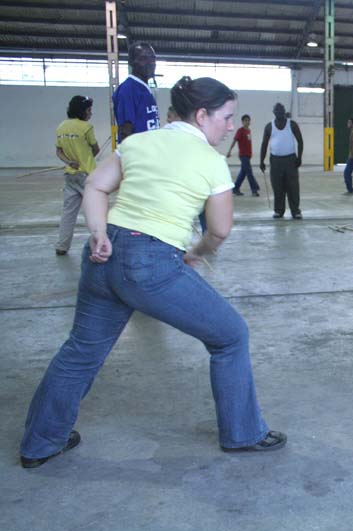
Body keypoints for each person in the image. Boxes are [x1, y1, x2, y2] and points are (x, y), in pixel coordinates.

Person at [19, 76, 286, 469]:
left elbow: (95, 186)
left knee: (80, 351)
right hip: (151, 263)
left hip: (104, 255)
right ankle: (243, 432)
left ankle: (40, 443)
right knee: (231, 337)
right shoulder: (211, 162)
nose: (230, 126)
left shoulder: (138, 142)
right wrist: (196, 252)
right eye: (226, 117)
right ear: (202, 115)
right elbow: (220, 229)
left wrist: (97, 234)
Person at [54, 95, 100, 256]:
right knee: (95, 211)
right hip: (86, 175)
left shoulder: (61, 127)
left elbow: (59, 151)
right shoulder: (86, 127)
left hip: (70, 175)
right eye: (89, 110)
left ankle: (62, 245)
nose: (90, 113)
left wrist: (69, 161)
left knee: (68, 212)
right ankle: (101, 243)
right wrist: (85, 158)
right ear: (82, 111)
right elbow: (96, 149)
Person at [259, 103, 304, 219]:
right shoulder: (269, 126)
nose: (279, 112)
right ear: (273, 112)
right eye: (277, 111)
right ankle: (279, 210)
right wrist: (261, 160)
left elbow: (300, 141)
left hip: (290, 160)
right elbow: (264, 144)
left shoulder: (292, 124)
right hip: (275, 161)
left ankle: (295, 211)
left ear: (284, 111)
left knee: (293, 187)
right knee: (277, 186)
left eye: (281, 110)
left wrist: (299, 157)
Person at [112, 42, 160, 143]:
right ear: (131, 62)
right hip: (138, 156)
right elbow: (125, 131)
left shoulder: (145, 88)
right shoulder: (128, 90)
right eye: (143, 58)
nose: (150, 62)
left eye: (153, 58)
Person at [227, 114, 260, 197]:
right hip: (243, 155)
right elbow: (234, 140)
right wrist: (229, 151)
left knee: (243, 173)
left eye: (248, 120)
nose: (247, 122)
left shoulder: (249, 131)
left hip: (248, 155)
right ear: (242, 122)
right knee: (249, 172)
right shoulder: (240, 131)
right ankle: (254, 190)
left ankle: (235, 188)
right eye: (245, 120)